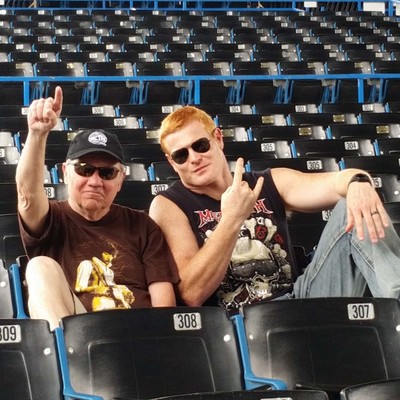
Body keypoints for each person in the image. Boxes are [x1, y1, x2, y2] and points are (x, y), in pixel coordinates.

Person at [149, 105, 400, 312]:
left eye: (200, 145)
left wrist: (358, 182)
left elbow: (337, 183)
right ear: (172, 163)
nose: (194, 158)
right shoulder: (169, 205)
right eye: (181, 155)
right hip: (235, 324)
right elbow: (191, 294)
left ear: (218, 138)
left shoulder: (269, 182)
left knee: (352, 204)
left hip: (299, 303)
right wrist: (232, 219)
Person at [16, 86, 179, 330]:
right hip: (82, 335)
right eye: (84, 169)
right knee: (39, 267)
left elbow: (164, 306)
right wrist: (38, 135)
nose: (95, 181)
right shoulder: (52, 219)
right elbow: (27, 197)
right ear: (65, 173)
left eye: (107, 173)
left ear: (120, 179)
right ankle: (65, 352)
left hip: (140, 335)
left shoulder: (143, 225)